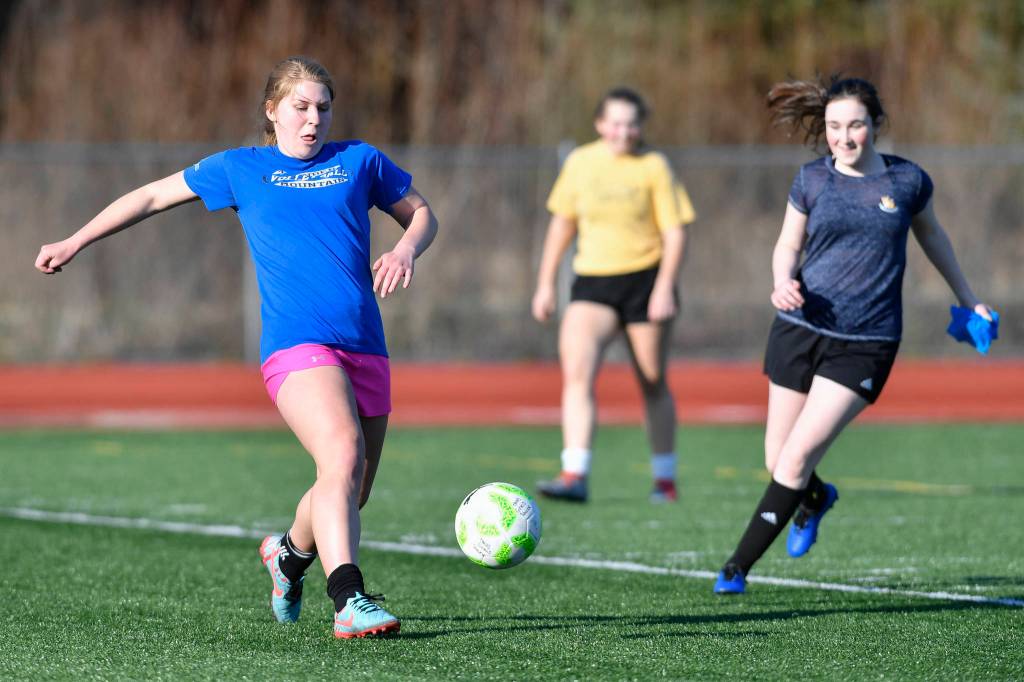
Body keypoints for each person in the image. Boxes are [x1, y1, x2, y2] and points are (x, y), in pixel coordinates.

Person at [35, 56, 438, 637]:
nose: (313, 119)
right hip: (296, 346)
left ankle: (288, 557)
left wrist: (405, 249)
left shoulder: (360, 160)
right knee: (341, 457)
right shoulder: (241, 169)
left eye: (323, 108)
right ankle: (349, 599)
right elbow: (150, 197)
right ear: (272, 111)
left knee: (352, 488)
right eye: (300, 107)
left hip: (367, 345)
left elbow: (422, 214)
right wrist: (75, 240)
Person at [713, 76, 993, 594]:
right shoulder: (812, 180)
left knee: (795, 459)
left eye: (855, 125)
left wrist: (967, 297)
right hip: (798, 329)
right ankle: (816, 500)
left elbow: (933, 237)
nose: (844, 137)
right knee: (777, 459)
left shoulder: (907, 182)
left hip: (866, 342)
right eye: (835, 126)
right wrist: (780, 282)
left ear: (875, 124)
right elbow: (786, 245)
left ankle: (736, 567)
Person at [532, 87, 696, 504]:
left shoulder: (655, 165)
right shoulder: (581, 163)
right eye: (616, 123)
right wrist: (546, 283)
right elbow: (561, 225)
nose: (624, 131)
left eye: (632, 124)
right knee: (577, 371)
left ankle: (664, 479)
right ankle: (575, 473)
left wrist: (664, 288)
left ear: (641, 127)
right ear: (600, 124)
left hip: (646, 281)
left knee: (653, 382)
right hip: (593, 283)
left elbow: (676, 233)